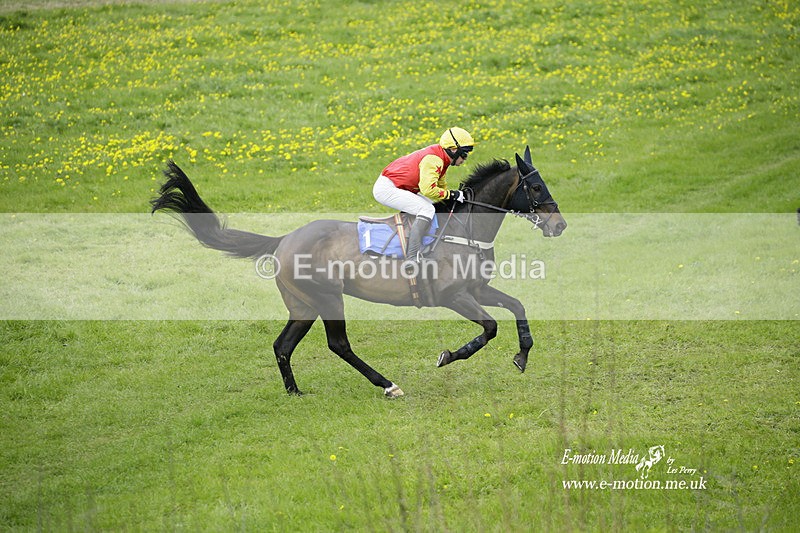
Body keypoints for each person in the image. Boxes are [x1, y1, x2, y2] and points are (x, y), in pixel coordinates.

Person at [372, 127, 474, 267]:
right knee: (427, 210)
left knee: (432, 206)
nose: (465, 159)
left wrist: (450, 196)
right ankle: (411, 257)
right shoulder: (434, 159)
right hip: (387, 188)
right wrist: (451, 194)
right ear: (454, 149)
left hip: (401, 186)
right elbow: (428, 189)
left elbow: (440, 185)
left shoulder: (442, 157)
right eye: (465, 154)